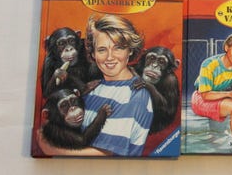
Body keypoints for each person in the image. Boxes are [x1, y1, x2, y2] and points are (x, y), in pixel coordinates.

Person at [38, 14, 153, 156]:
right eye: (102, 49)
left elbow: (103, 155)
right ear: (92, 53)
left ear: (130, 50)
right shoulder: (92, 87)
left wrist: (49, 149)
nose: (110, 57)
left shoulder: (135, 95)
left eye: (118, 48)